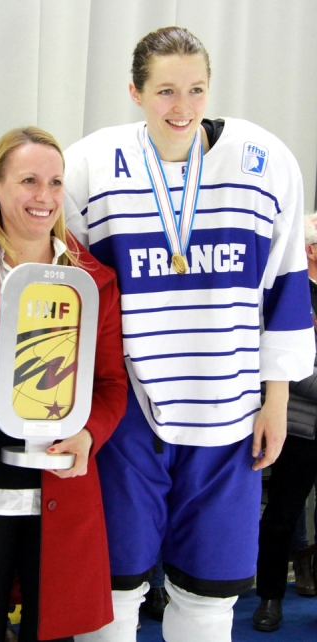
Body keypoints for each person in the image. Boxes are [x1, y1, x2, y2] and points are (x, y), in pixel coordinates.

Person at [62, 26, 314, 642]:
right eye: (166, 91)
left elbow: (286, 283)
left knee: (208, 599)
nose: (182, 107)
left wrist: (275, 399)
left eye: (196, 90)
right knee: (115, 593)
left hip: (229, 413)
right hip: (129, 415)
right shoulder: (91, 164)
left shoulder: (266, 161)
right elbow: (67, 292)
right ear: (135, 92)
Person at [0, 126, 128, 641]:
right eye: (29, 180)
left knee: (53, 633)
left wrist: (89, 436)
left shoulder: (93, 282)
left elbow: (110, 384)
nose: (44, 197)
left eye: (56, 183)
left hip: (58, 493)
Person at [252, 212, 317, 632]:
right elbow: (291, 365)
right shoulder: (293, 295)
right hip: (300, 426)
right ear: (311, 250)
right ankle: (270, 598)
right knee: (282, 515)